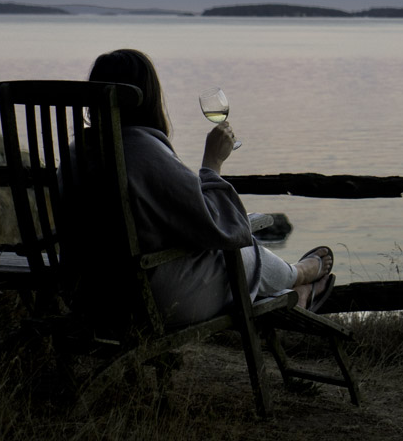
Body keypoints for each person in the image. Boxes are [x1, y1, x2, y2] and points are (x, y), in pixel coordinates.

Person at [88, 48, 335, 326]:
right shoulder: (142, 152)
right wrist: (212, 163)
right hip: (153, 302)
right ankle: (300, 277)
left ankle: (299, 291)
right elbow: (221, 228)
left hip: (94, 297)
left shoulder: (78, 152)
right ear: (148, 96)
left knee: (236, 256)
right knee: (245, 253)